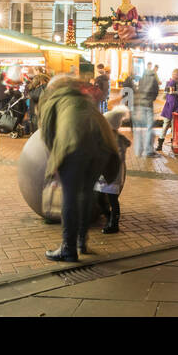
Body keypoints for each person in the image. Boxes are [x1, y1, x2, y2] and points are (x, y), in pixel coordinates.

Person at [39, 74, 121, 262]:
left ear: (53, 88)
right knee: (85, 194)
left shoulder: (55, 100)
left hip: (75, 148)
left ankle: (68, 248)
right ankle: (81, 242)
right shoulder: (83, 100)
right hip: (101, 149)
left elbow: (48, 133)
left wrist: (56, 162)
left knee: (70, 196)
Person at [96, 108, 130, 234]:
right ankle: (109, 217)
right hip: (105, 174)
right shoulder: (107, 136)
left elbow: (117, 157)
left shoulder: (117, 139)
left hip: (112, 175)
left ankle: (114, 223)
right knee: (101, 198)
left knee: (112, 200)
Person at [131, 65, 160, 158]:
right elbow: (156, 91)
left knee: (139, 128)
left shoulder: (142, 78)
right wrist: (151, 99)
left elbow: (138, 89)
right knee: (149, 128)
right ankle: (148, 150)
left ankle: (138, 150)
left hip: (139, 104)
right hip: (148, 105)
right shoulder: (153, 78)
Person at [158, 68, 178, 151]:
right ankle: (160, 144)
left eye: (177, 75)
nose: (175, 76)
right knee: (165, 125)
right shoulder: (169, 83)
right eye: (174, 74)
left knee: (176, 127)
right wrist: (172, 82)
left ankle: (174, 144)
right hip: (169, 108)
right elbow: (166, 95)